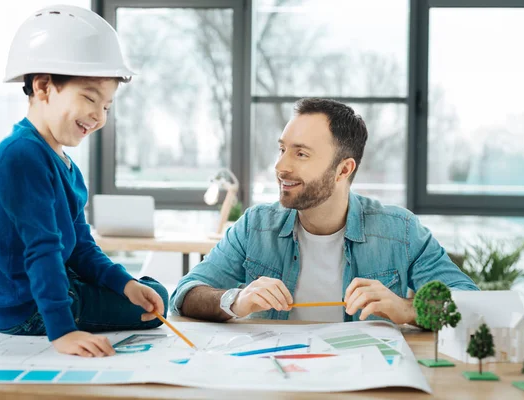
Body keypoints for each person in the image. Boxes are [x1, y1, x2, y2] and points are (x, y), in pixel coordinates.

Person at [0, 5, 168, 358]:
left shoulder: (63, 164)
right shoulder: (21, 155)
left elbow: (80, 247)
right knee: (157, 304)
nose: (99, 116)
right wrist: (64, 333)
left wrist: (124, 283)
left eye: (106, 106)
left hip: (47, 289)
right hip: (25, 308)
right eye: (90, 98)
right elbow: (42, 249)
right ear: (44, 86)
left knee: (148, 293)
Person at [171, 98, 478, 324]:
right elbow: (184, 295)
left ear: (343, 170)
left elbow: (473, 304)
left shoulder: (401, 231)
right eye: (282, 149)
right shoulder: (254, 226)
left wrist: (407, 309)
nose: (280, 166)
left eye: (301, 153)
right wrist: (235, 300)